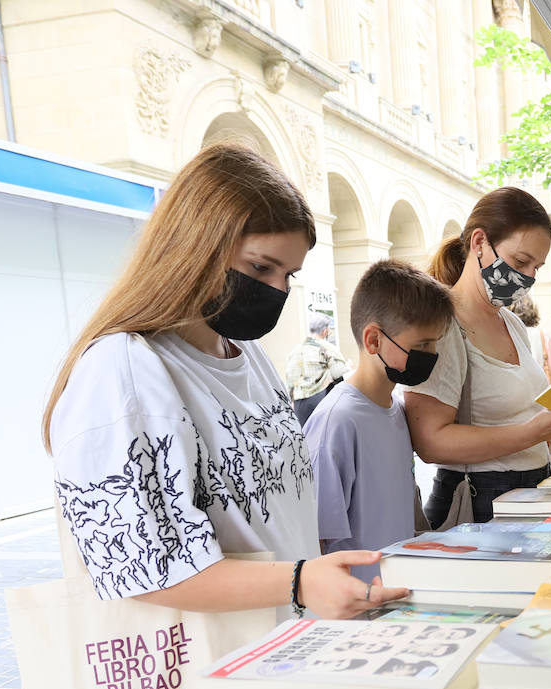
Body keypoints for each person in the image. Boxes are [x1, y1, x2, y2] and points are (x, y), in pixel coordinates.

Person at [42, 143, 409, 623]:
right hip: (209, 675)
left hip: (288, 649)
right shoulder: (123, 371)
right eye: (260, 268)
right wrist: (300, 581)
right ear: (196, 245)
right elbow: (143, 566)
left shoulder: (246, 351)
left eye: (289, 274)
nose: (277, 289)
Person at [407, 188, 551, 525]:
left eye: (536, 267)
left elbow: (521, 410)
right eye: (521, 262)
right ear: (479, 242)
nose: (528, 277)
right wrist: (534, 432)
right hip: (480, 501)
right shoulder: (443, 327)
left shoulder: (510, 321)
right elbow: (430, 442)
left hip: (532, 490)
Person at [304, 260, 453, 584]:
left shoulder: (396, 411)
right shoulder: (337, 422)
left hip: (396, 597)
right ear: (373, 341)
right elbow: (316, 542)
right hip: (357, 613)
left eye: (435, 342)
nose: (433, 354)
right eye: (421, 345)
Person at [285, 313, 353, 426]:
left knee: (306, 438)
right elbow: (339, 373)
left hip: (299, 404)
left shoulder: (295, 350)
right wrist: (348, 367)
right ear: (325, 331)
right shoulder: (327, 347)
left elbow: (290, 380)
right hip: (321, 400)